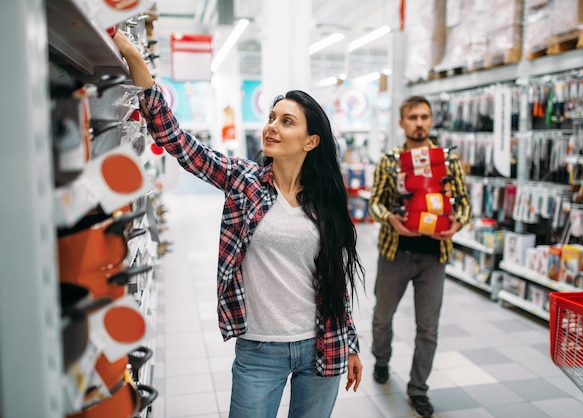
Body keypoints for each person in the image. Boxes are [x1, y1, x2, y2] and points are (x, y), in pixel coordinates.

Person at [112, 31, 365, 418]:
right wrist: (134, 58)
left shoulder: (325, 200)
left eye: (286, 121)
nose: (271, 127)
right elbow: (178, 142)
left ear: (311, 141)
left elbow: (334, 279)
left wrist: (351, 343)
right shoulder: (244, 181)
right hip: (260, 348)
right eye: (270, 118)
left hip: (323, 344)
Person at [368, 95, 471, 417]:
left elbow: (464, 203)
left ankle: (418, 389)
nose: (419, 123)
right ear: (402, 122)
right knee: (383, 316)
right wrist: (391, 220)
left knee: (428, 327)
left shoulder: (448, 162)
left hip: (433, 257)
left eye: (424, 117)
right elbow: (375, 202)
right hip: (394, 252)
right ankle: (381, 360)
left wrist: (458, 222)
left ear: (431, 120)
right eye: (412, 117)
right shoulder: (390, 161)